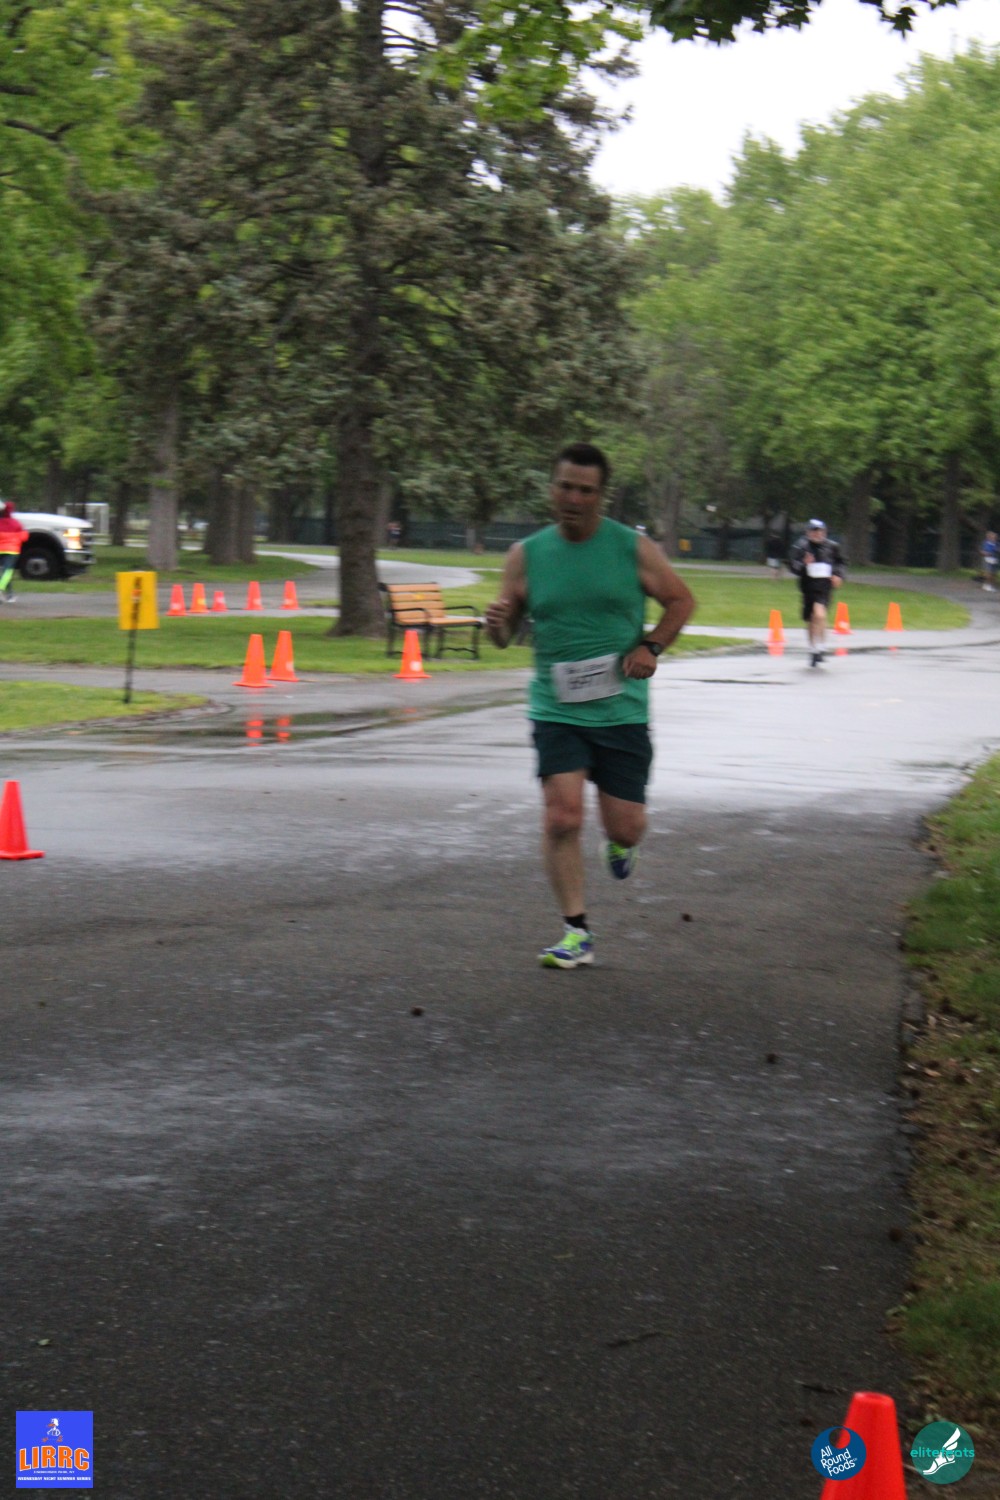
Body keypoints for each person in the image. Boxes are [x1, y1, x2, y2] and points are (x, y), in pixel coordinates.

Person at [485, 442, 696, 969]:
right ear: (551, 489)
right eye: (565, 487)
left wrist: (651, 647)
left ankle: (622, 845)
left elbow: (681, 599)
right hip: (556, 709)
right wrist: (497, 625)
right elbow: (505, 636)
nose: (573, 499)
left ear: (601, 495)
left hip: (621, 711)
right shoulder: (527, 555)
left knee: (626, 826)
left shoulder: (631, 548)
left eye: (585, 490)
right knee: (562, 816)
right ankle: (575, 931)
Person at [788, 518, 845, 667]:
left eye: (820, 531)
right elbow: (793, 567)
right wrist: (803, 564)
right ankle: (814, 648)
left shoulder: (832, 546)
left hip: (824, 587)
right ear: (808, 533)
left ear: (825, 532)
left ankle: (821, 646)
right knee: (811, 619)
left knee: (820, 614)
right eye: (814, 531)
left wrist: (838, 575)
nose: (817, 534)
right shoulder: (801, 547)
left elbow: (840, 563)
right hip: (808, 587)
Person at [0, 500, 27, 602]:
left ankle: (10, 595)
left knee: (5, 573)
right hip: (12, 550)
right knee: (7, 572)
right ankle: (1, 588)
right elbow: (24, 537)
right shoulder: (16, 523)